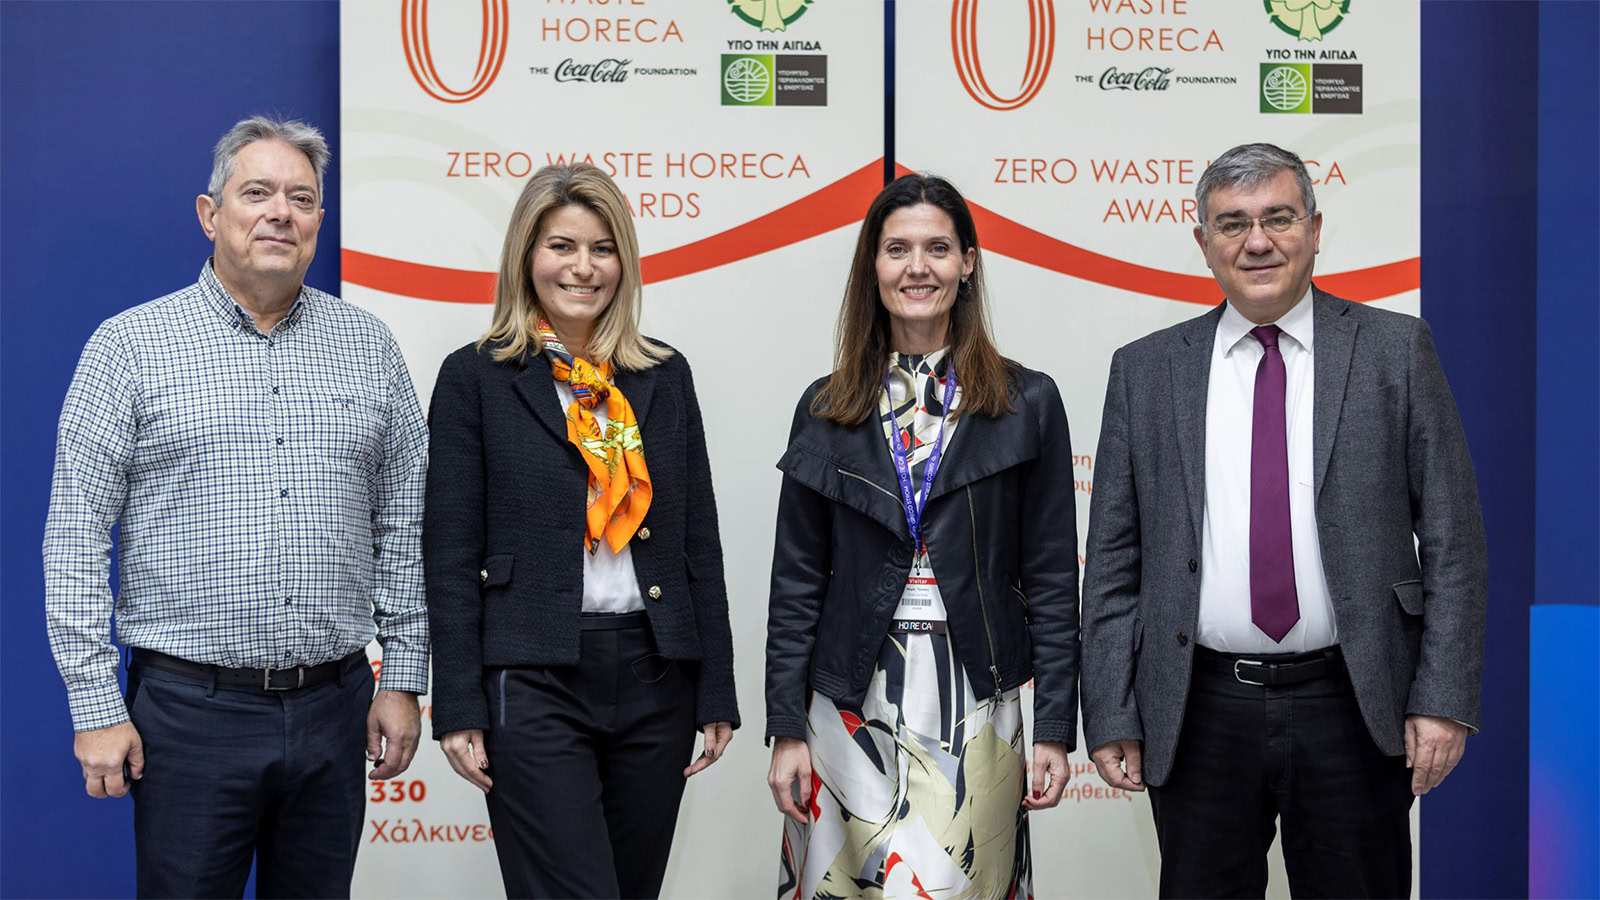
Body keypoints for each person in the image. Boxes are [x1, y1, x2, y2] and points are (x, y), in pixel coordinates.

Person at [1080, 142, 1487, 898]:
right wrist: (1109, 708)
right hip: (1198, 710)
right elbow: (1112, 559)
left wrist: (1441, 700)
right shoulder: (1146, 369)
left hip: (1354, 703)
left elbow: (1454, 540)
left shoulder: (1395, 350)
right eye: (1233, 224)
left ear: (1315, 229)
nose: (1257, 241)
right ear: (1204, 241)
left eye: (1279, 218)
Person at [43, 115, 430, 898]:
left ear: (319, 220)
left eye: (302, 198)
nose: (280, 212)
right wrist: (94, 704)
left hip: (337, 706)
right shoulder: (129, 347)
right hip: (189, 715)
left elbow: (406, 524)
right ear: (210, 213)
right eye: (257, 193)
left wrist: (402, 678)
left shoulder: (370, 347)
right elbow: (75, 537)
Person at [424, 162, 739, 899]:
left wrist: (716, 687)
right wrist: (459, 703)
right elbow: (450, 553)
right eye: (561, 246)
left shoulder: (664, 374)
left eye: (602, 248)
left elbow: (698, 540)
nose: (583, 267)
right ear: (526, 256)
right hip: (533, 679)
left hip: (656, 676)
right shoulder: (474, 377)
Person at [764, 173, 1079, 900]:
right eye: (897, 249)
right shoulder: (825, 405)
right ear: (872, 266)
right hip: (848, 700)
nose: (918, 268)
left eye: (938, 249)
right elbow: (797, 583)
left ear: (967, 262)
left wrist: (1056, 728)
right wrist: (786, 727)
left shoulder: (1027, 401)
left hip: (976, 699)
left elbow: (1054, 578)